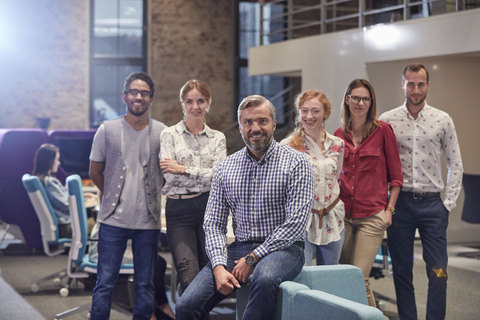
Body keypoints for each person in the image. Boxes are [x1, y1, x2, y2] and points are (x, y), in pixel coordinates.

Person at [175, 94, 315, 320]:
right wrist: (219, 266)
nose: (255, 128)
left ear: (274, 124)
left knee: (265, 276)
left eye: (262, 121)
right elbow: (213, 223)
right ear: (240, 127)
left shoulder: (297, 164)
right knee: (186, 306)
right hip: (239, 248)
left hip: (286, 250)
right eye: (248, 122)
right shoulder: (226, 167)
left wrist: (253, 257)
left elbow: (295, 225)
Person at [379, 63, 463, 320]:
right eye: (410, 84)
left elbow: (455, 162)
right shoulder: (386, 120)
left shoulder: (442, 119)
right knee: (402, 270)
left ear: (428, 85)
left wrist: (447, 203)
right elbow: (380, 165)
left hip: (432, 206)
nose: (415, 89)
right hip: (400, 206)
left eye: (421, 84)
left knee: (438, 270)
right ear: (402, 84)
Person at [89, 71, 166, 320]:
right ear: (125, 96)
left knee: (146, 286)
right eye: (134, 92)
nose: (139, 97)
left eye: (144, 93)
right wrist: (113, 196)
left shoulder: (162, 132)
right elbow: (95, 171)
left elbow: (165, 174)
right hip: (113, 222)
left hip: (148, 223)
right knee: (105, 284)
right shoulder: (107, 129)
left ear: (151, 99)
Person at [334, 79, 403, 307]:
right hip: (343, 217)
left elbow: (396, 177)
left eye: (365, 98)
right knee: (343, 278)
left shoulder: (383, 131)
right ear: (347, 99)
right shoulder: (337, 135)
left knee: (359, 278)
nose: (360, 103)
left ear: (371, 102)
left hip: (372, 216)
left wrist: (389, 210)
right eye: (356, 97)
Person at [159, 79, 226, 294]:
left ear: (208, 103)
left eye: (201, 101)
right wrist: (195, 174)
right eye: (189, 101)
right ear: (182, 103)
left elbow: (219, 177)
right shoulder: (169, 135)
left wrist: (184, 169)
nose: (195, 107)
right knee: (189, 279)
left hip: (209, 208)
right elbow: (170, 178)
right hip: (179, 211)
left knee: (210, 276)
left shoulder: (218, 138)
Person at [281, 90, 345, 266]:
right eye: (304, 110)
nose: (309, 116)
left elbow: (335, 178)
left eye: (316, 111)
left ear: (325, 113)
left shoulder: (337, 144)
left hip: (332, 215)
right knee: (302, 276)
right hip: (301, 220)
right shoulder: (287, 146)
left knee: (330, 278)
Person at [88, 222, 175, 320]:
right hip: (117, 231)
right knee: (106, 285)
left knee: (149, 278)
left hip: (140, 226)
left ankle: (159, 308)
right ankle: (158, 309)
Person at [32, 143, 95, 238]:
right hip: (66, 226)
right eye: (57, 160)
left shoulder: (43, 179)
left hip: (64, 225)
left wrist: (85, 196)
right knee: (101, 226)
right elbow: (67, 206)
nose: (59, 163)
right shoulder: (50, 182)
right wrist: (89, 203)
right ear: (49, 161)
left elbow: (63, 199)